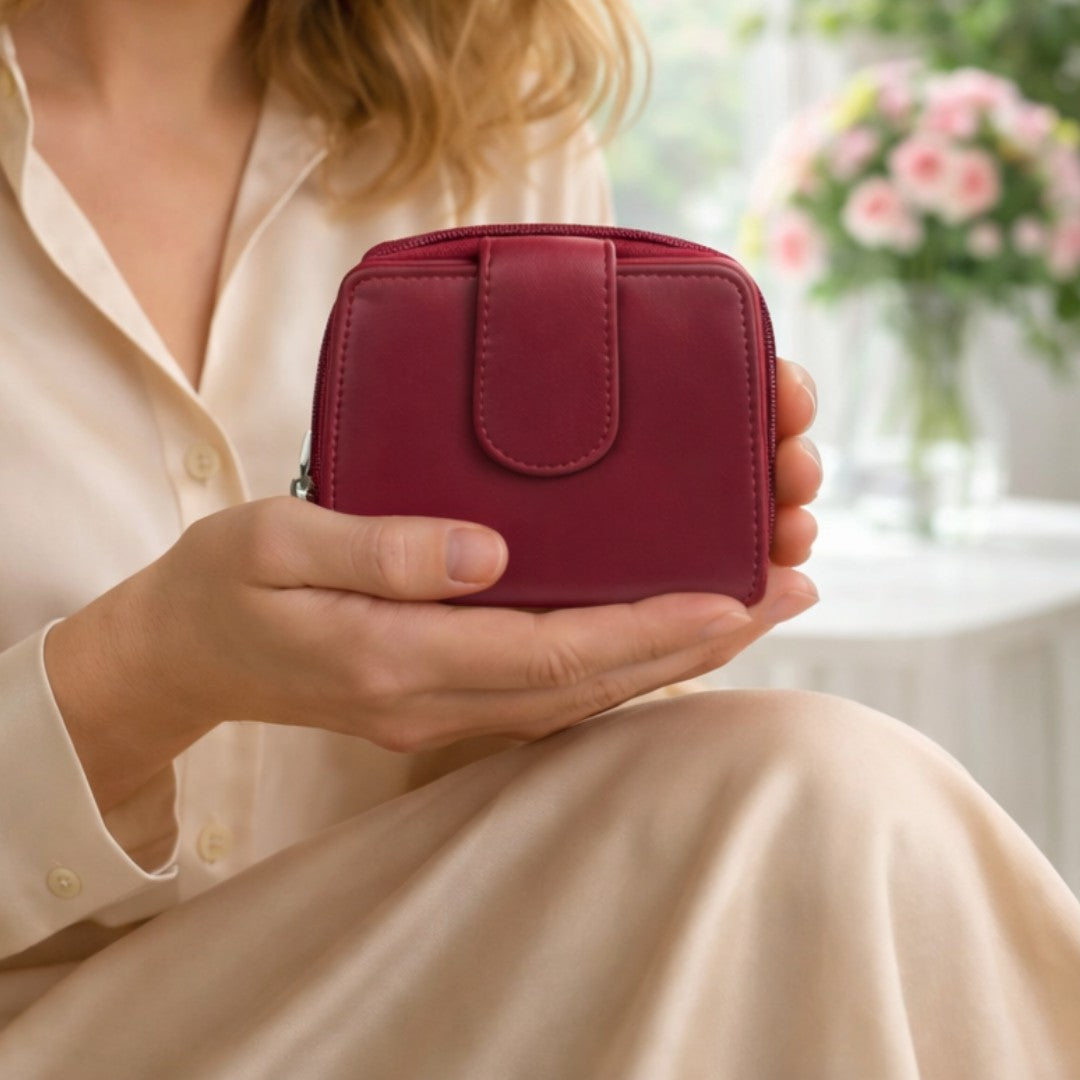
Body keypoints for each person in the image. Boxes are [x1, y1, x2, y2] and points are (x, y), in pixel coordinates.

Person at [0, 1, 1077, 1076]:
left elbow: (560, 783)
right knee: (818, 788)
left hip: (432, 991)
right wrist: (147, 671)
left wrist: (603, 667)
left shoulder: (489, 118)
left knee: (817, 792)